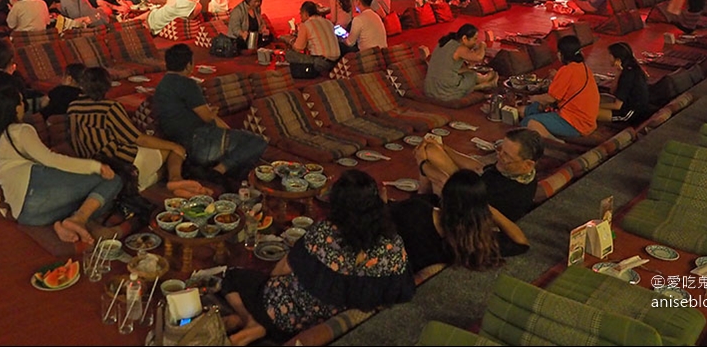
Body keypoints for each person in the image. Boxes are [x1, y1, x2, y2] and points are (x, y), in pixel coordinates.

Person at [220, 170, 414, 346]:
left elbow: (283, 269)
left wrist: (270, 286)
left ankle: (253, 322)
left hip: (287, 317)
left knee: (232, 278)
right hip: (327, 318)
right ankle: (253, 323)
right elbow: (400, 288)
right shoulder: (393, 243)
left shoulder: (325, 232)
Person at [0, 85, 123, 245]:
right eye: (21, 102)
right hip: (34, 190)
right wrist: (95, 166)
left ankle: (63, 224)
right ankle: (79, 219)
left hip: (28, 216)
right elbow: (52, 160)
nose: (23, 105)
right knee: (112, 181)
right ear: (14, 108)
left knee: (93, 199)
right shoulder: (20, 131)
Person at [68, 66, 206, 194]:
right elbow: (139, 139)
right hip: (117, 161)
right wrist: (175, 146)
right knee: (171, 150)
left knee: (162, 165)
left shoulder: (73, 107)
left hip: (92, 161)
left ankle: (145, 184)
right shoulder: (109, 108)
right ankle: (175, 179)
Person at [154, 44, 268, 186]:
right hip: (199, 141)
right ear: (189, 64)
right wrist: (212, 112)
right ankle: (218, 171)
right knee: (257, 142)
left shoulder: (162, 85)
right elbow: (206, 117)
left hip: (181, 140)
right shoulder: (187, 84)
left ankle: (232, 183)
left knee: (244, 156)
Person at [390, 169, 528, 274]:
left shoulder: (416, 210)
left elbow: (382, 213)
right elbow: (521, 242)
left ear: (445, 194)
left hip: (392, 270)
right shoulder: (472, 241)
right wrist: (488, 209)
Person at [414, 127, 543, 223]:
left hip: (462, 214)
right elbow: (478, 167)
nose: (499, 156)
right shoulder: (520, 172)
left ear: (528, 164)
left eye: (506, 156)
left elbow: (447, 184)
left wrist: (422, 163)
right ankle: (421, 198)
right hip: (467, 191)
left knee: (430, 155)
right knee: (431, 149)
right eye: (501, 150)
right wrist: (444, 148)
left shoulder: (505, 190)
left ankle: (420, 201)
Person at [519, 35, 599, 140]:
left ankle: (557, 144)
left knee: (528, 122)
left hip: (576, 123)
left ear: (561, 54)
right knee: (530, 109)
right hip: (586, 121)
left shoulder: (567, 70)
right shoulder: (583, 67)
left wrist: (532, 98)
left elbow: (550, 98)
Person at [424, 24, 499, 105]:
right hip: (444, 91)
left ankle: (485, 80)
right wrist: (482, 44)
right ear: (464, 38)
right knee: (471, 76)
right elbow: (479, 57)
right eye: (474, 39)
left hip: (430, 87)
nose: (475, 42)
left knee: (468, 72)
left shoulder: (444, 42)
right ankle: (482, 85)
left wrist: (467, 69)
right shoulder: (459, 48)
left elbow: (447, 68)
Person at [283, 1, 340, 74]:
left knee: (289, 54)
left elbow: (298, 48)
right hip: (336, 61)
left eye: (301, 14)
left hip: (320, 62)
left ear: (305, 13)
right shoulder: (328, 22)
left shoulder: (306, 25)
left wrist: (289, 40)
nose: (300, 17)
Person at [597, 42, 648, 123]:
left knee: (589, 113)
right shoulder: (628, 69)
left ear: (618, 59)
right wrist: (618, 72)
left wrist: (596, 106)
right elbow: (612, 91)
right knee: (598, 98)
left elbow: (617, 106)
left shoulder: (627, 76)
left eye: (610, 55)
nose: (608, 58)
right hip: (625, 105)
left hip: (630, 113)